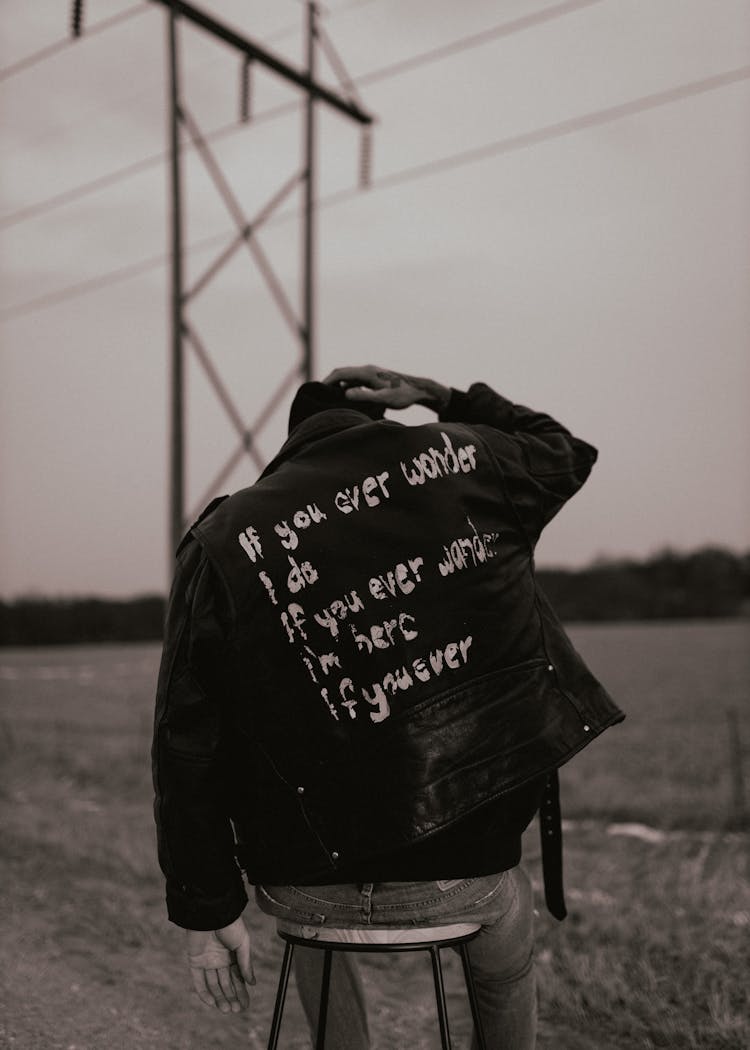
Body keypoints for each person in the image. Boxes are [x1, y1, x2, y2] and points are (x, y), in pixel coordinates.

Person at [152, 365, 624, 1049]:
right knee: (506, 920)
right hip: (465, 876)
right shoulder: (467, 465)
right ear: (379, 425)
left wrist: (205, 915)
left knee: (312, 930)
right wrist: (441, 397)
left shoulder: (226, 537)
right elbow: (563, 449)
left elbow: (184, 743)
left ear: (295, 442)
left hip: (301, 886)